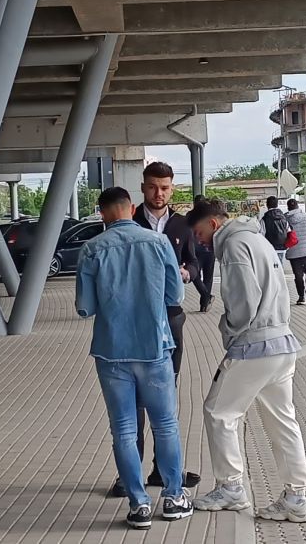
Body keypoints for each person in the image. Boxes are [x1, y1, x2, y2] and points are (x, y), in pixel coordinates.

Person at [186, 199, 306, 523]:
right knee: (283, 421)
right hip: (282, 341)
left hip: (255, 344)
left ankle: (231, 488)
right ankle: (295, 497)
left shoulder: (234, 245)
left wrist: (228, 330)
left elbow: (242, 301)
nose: (199, 241)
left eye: (200, 233)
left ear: (213, 224)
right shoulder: (258, 239)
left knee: (218, 412)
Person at [76, 187, 192, 529]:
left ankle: (138, 504)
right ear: (131, 208)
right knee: (165, 424)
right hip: (154, 347)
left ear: (102, 213)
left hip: (111, 352)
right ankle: (173, 498)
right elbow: (175, 295)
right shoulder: (157, 243)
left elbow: (85, 308)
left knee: (124, 430)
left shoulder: (91, 249)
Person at [122, 161, 200, 494]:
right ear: (143, 187)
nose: (159, 193)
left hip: (171, 317)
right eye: (153, 186)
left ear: (173, 188)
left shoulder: (182, 225)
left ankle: (163, 471)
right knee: (134, 399)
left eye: (165, 187)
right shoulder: (128, 223)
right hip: (133, 319)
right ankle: (131, 475)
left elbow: (197, 262)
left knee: (166, 397)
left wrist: (188, 273)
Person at [191, 195, 215, 313]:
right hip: (209, 250)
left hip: (196, 250)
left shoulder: (189, 217)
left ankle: (204, 303)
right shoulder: (210, 217)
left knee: (195, 275)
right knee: (207, 277)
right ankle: (205, 299)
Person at [258, 196, 291, 265]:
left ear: (267, 205)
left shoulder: (264, 219)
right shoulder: (283, 218)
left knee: (272, 268)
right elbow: (289, 231)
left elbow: (261, 234)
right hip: (282, 247)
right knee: (280, 267)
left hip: (270, 247)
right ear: (277, 204)